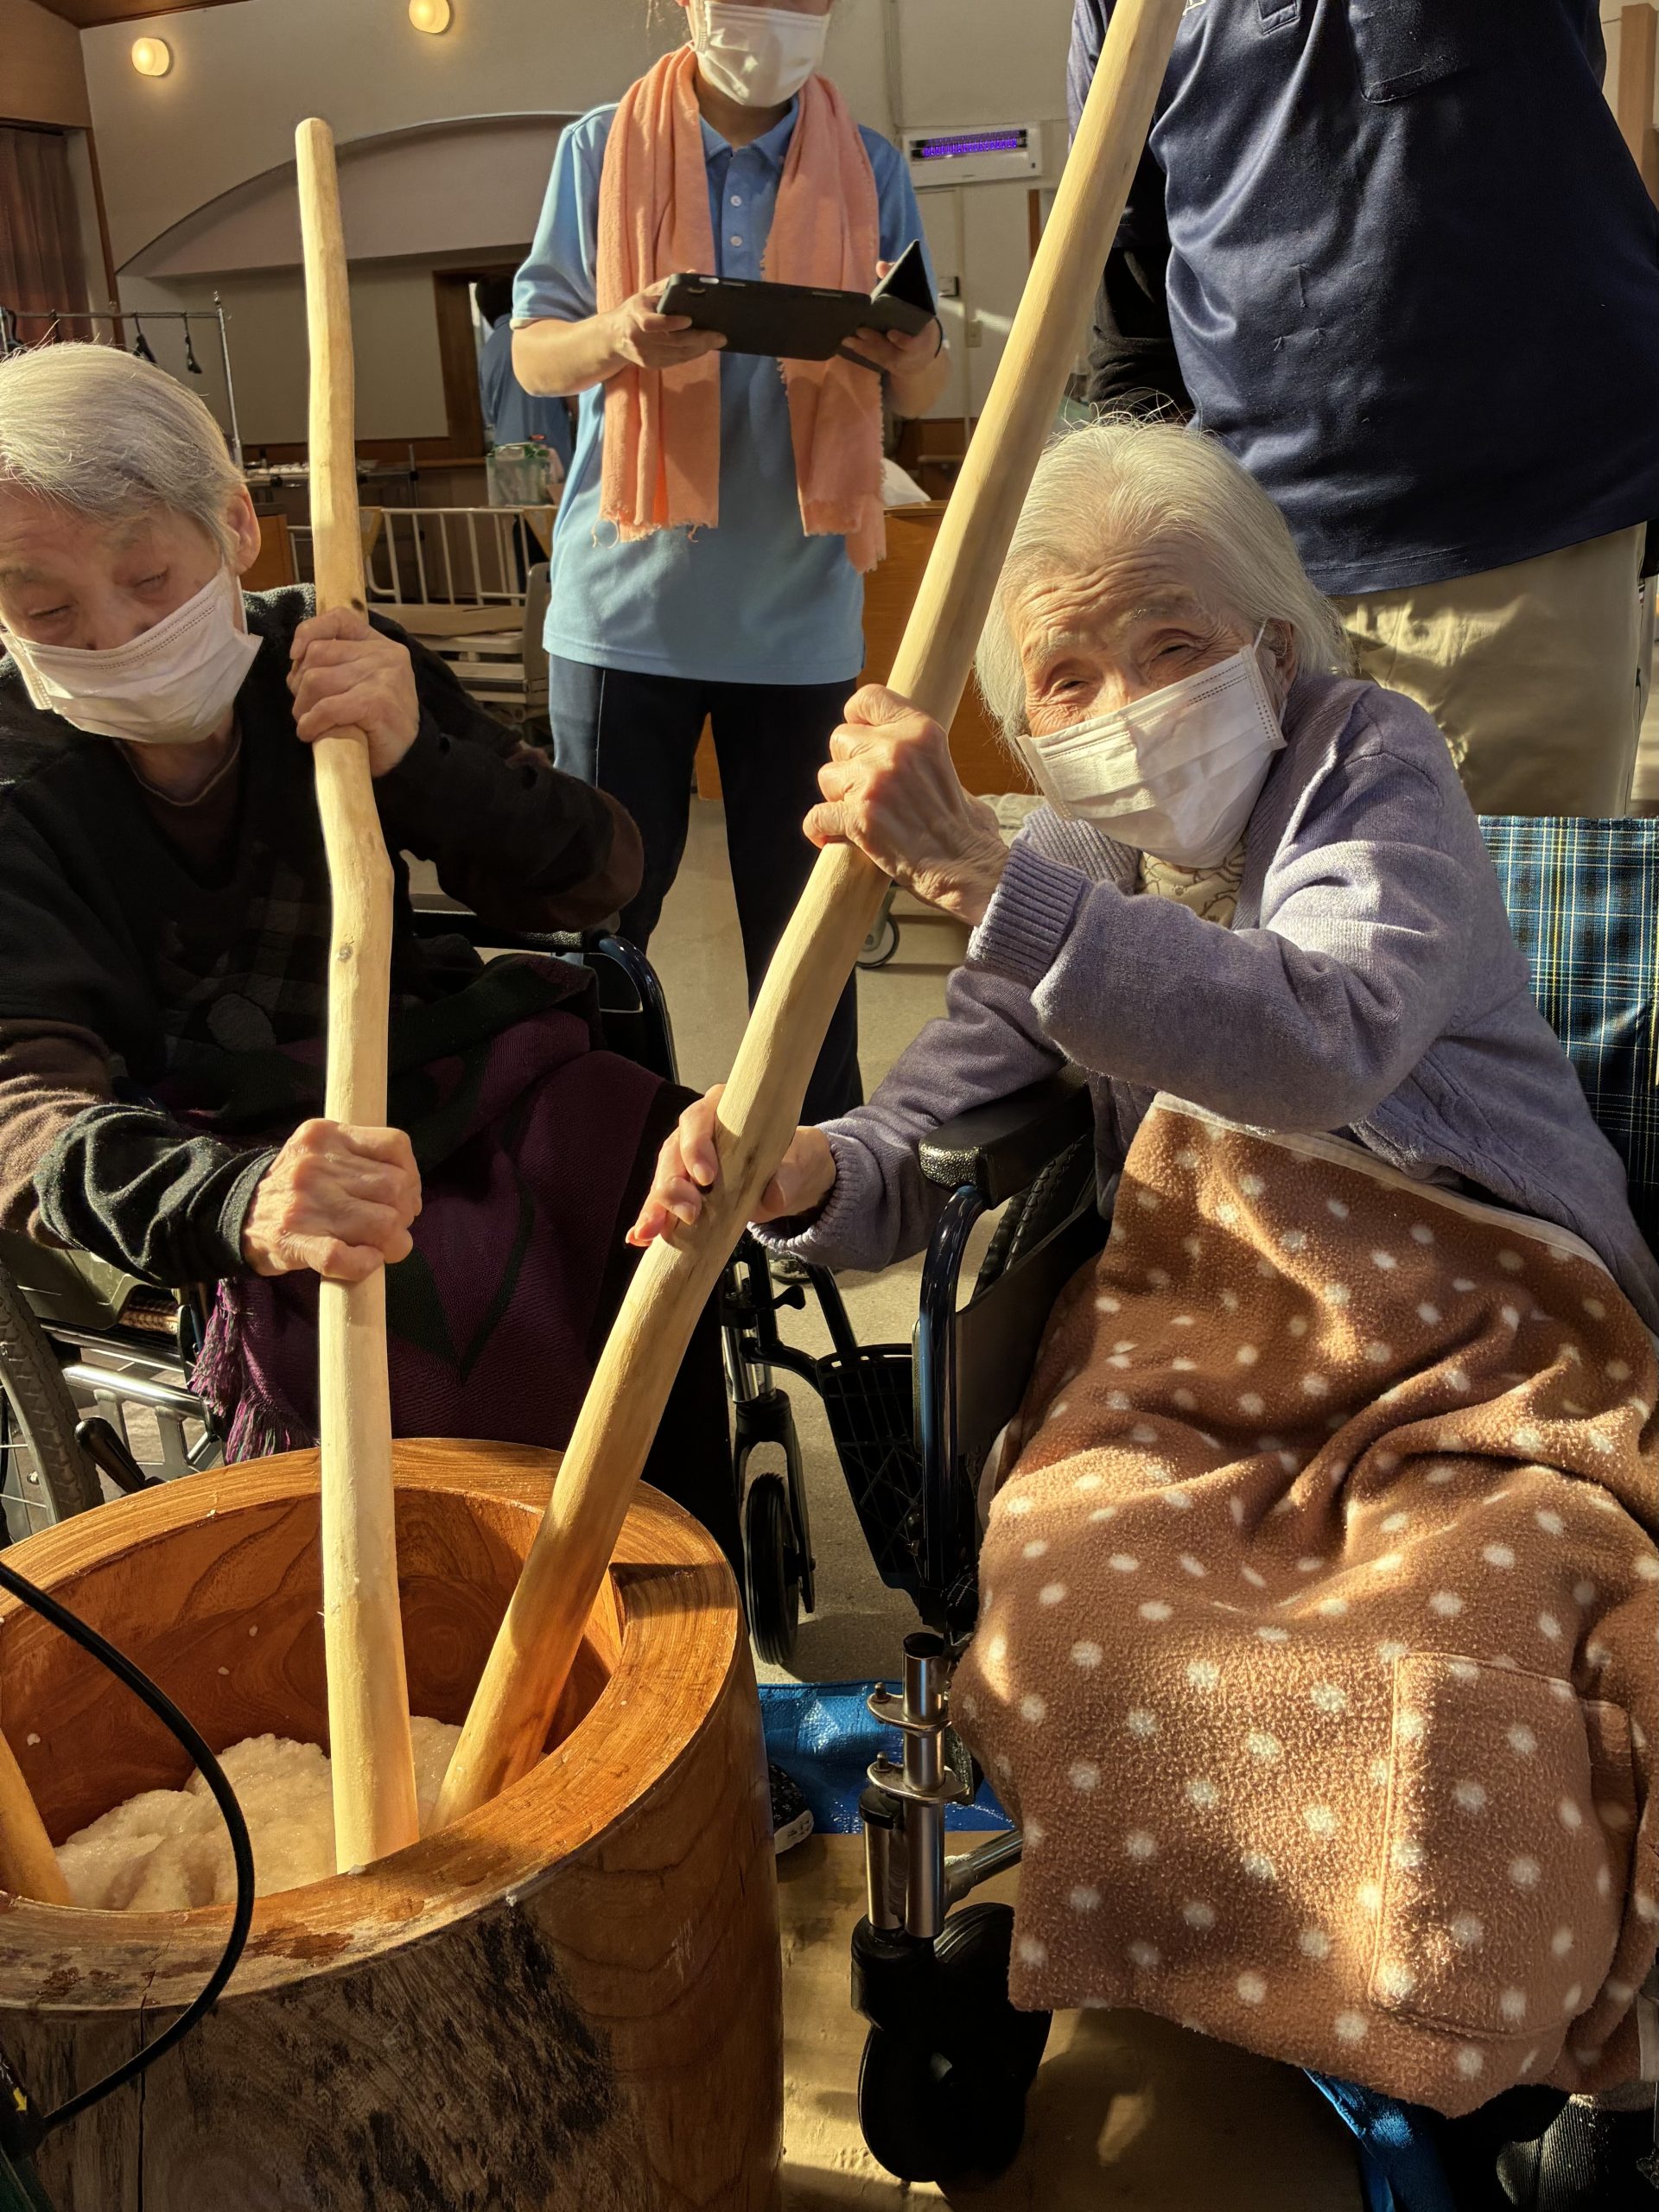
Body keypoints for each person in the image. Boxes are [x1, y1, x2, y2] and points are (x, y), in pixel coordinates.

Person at [635, 423, 1659, 2208]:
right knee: (1069, 1603)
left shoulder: (1370, 762)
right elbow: (932, 1127)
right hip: (1194, 1354)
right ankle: (1140, 1948)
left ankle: (1486, 2040)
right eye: (1070, 675)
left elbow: (1320, 1033)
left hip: (1477, 1334)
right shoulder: (1075, 851)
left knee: (1478, 1662)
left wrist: (982, 878)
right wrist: (800, 1169)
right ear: (1031, 727)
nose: (1128, 703)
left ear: (1275, 642)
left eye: (1173, 642)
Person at [0, 342, 736, 1575]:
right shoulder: (16, 776)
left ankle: (669, 1560)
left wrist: (418, 755)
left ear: (237, 526)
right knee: (385, 1280)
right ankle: (429, 1594)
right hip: (190, 1135)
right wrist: (237, 1200)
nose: (115, 635)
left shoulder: (330, 651)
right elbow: (23, 1105)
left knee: (645, 1157)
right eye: (45, 610)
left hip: (416, 1059)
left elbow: (597, 876)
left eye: (148, 577)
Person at [512, 0, 949, 1122]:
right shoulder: (599, 146)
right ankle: (590, 1160)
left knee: (811, 941)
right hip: (625, 615)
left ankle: (820, 1178)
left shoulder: (868, 163)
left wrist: (911, 352)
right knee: (599, 931)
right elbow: (535, 353)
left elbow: (927, 378)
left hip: (799, 620)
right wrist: (619, 335)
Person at [1067, 0, 1659, 818]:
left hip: (1511, 543)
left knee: (1500, 893)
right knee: (1261, 894)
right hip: (1249, 569)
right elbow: (1127, 283)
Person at [475, 275, 574, 480]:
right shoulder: (540, 338)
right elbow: (577, 403)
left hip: (504, 460)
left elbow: (490, 417)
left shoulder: (488, 352)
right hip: (547, 457)